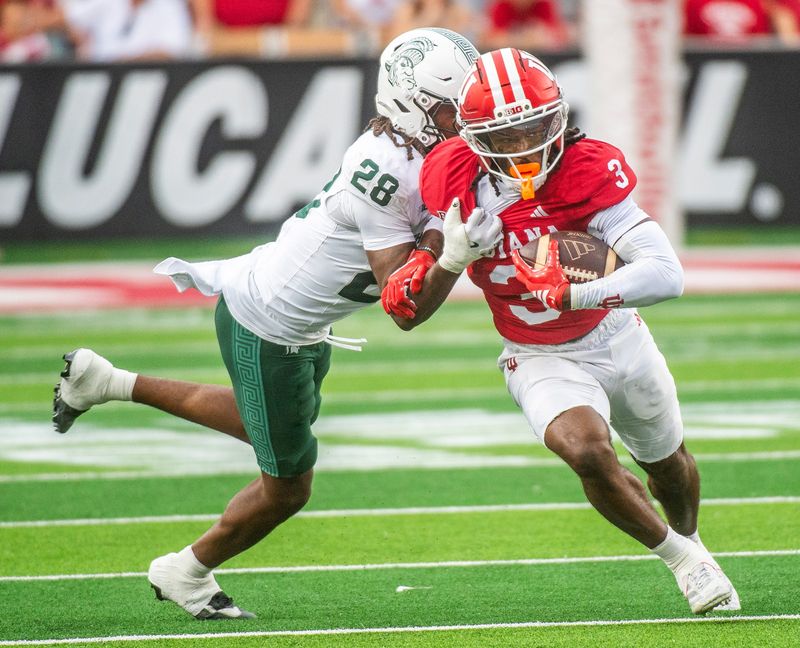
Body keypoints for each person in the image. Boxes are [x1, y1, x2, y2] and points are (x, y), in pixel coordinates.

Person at [52, 28, 500, 620]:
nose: (464, 116)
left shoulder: (431, 152)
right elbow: (406, 306)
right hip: (271, 326)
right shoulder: (384, 166)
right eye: (450, 105)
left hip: (294, 315)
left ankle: (105, 381)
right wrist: (449, 252)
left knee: (268, 427)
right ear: (409, 101)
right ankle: (184, 570)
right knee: (289, 485)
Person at [381, 47, 740, 615]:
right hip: (537, 352)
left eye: (533, 129)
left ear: (558, 119)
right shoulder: (452, 176)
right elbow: (413, 302)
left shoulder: (585, 168)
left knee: (668, 466)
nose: (522, 147)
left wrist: (574, 291)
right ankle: (684, 561)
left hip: (616, 333)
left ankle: (691, 538)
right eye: (504, 137)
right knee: (587, 450)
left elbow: (667, 274)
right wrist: (448, 257)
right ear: (474, 137)